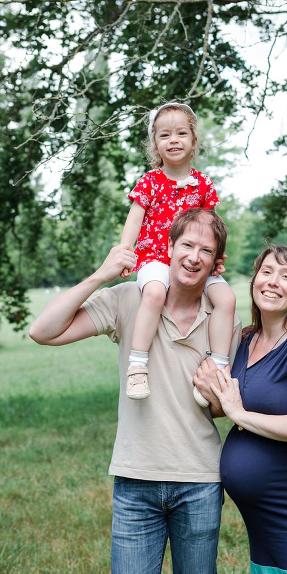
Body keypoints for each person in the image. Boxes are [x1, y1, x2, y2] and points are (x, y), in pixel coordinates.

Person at [29, 208, 240, 574]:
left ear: (216, 262)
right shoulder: (130, 299)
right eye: (187, 245)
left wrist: (218, 393)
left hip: (200, 481)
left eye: (205, 250)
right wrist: (102, 274)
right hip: (135, 479)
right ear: (169, 247)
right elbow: (42, 331)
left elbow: (221, 409)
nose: (194, 257)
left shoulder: (224, 318)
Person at [193, 245, 287, 574]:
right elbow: (233, 403)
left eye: (286, 275)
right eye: (266, 272)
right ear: (253, 282)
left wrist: (239, 415)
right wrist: (213, 391)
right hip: (261, 519)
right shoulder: (246, 340)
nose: (273, 281)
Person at [120, 101, 236, 406]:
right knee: (155, 293)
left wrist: (216, 257)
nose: (173, 140)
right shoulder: (150, 182)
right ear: (155, 145)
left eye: (181, 133)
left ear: (193, 141)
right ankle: (137, 364)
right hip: (156, 258)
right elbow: (134, 219)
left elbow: (213, 226)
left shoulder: (203, 184)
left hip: (196, 262)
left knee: (227, 299)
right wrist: (124, 252)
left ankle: (218, 368)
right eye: (165, 135)